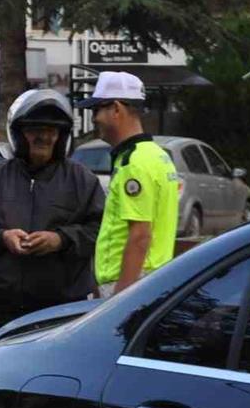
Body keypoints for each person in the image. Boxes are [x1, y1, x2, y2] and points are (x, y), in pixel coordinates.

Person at [0, 89, 105, 347]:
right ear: (19, 134)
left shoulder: (83, 181)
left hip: (64, 309)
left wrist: (60, 240)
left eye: (51, 130)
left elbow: (100, 231)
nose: (43, 137)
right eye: (34, 129)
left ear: (61, 136)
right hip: (6, 309)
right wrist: (1, 237)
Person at [76, 71, 180, 296]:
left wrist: (121, 298)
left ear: (116, 109)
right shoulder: (157, 156)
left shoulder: (134, 162)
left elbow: (140, 235)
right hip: (150, 278)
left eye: (97, 110)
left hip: (130, 284)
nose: (94, 119)